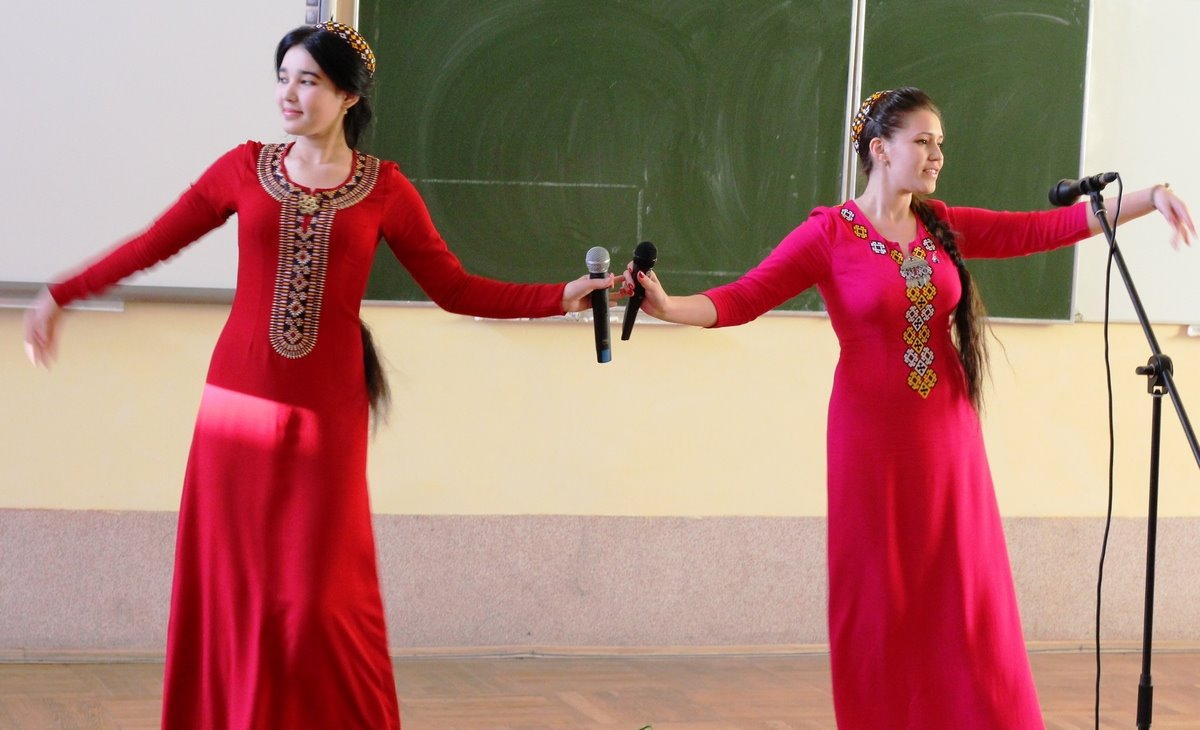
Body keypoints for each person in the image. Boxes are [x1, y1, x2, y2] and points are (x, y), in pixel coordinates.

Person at [23, 21, 615, 730]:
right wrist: (61, 293)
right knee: (235, 588)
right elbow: (154, 243)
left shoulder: (385, 190)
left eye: (307, 81)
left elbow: (454, 289)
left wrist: (556, 297)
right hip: (235, 406)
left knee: (322, 599)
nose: (288, 94)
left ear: (347, 97)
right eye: (283, 78)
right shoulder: (243, 168)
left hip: (328, 414)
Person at [621, 87, 1194, 728]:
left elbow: (1040, 229)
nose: (936, 154)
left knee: (964, 593)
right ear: (880, 150)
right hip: (870, 441)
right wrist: (667, 307)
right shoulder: (828, 234)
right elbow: (745, 297)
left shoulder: (940, 224)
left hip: (949, 435)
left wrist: (1149, 197)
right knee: (882, 596)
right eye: (922, 141)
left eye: (939, 142)